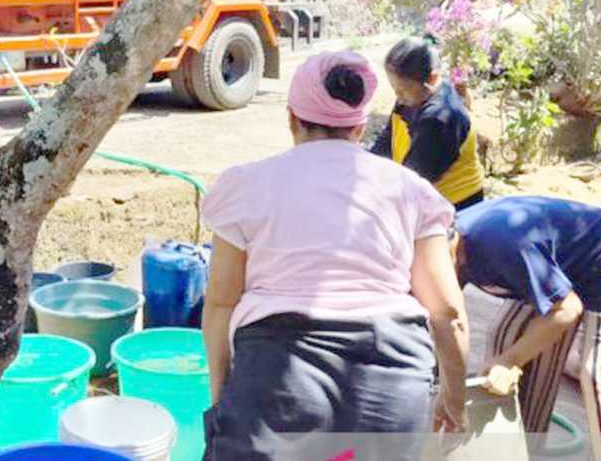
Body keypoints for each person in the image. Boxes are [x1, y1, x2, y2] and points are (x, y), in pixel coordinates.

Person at [201, 50, 469, 461]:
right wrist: (453, 396)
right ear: (360, 128)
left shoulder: (246, 184)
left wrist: (222, 399)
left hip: (274, 374)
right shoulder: (410, 190)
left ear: (291, 119)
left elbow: (221, 302)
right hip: (392, 375)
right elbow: (448, 310)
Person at [450, 196, 601, 461]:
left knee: (599, 378)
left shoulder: (500, 244)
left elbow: (567, 310)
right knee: (506, 338)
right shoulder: (435, 253)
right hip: (557, 269)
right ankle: (521, 451)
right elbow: (446, 318)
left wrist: (510, 360)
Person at [371, 37, 485, 210]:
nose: (399, 98)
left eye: (403, 90)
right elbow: (388, 141)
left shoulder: (440, 118)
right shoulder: (412, 97)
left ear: (432, 78)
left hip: (454, 205)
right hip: (420, 190)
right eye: (396, 90)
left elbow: (415, 178)